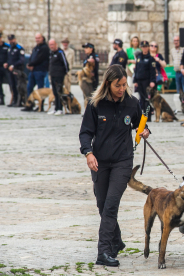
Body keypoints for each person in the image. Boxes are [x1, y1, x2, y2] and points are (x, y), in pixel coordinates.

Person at [79, 64, 150, 267]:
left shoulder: (132, 103)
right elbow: (85, 133)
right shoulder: (95, 104)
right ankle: (116, 241)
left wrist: (144, 131)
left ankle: (104, 252)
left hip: (122, 161)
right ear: (108, 83)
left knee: (110, 205)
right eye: (118, 85)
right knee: (102, 205)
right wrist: (88, 153)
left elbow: (140, 124)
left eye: (124, 84)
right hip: (99, 161)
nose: (122, 89)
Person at [22, 33, 50, 111]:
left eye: (39, 38)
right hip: (33, 71)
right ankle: (29, 104)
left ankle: (40, 106)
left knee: (40, 89)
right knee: (29, 87)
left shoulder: (44, 48)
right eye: (36, 38)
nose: (37, 40)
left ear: (42, 38)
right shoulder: (36, 48)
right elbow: (32, 57)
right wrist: (29, 64)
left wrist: (31, 64)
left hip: (40, 70)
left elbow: (39, 59)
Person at [47, 39, 69, 116]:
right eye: (50, 45)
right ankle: (56, 108)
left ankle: (60, 109)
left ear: (56, 44)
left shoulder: (60, 52)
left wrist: (65, 72)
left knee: (59, 92)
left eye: (52, 44)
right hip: (52, 75)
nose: (51, 46)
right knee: (55, 92)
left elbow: (65, 63)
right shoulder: (51, 53)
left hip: (59, 75)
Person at [133, 41, 156, 112]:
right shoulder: (139, 57)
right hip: (139, 81)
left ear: (148, 47)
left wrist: (152, 81)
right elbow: (136, 69)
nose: (144, 48)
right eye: (143, 47)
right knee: (141, 98)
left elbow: (153, 71)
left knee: (147, 98)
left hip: (147, 81)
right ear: (141, 48)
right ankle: (141, 114)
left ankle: (148, 116)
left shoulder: (150, 58)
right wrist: (135, 80)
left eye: (146, 47)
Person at [5, 34, 25, 107]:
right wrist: (7, 63)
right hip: (10, 70)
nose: (11, 41)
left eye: (12, 40)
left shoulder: (19, 48)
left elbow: (21, 60)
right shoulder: (9, 48)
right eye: (10, 40)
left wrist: (13, 65)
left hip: (17, 70)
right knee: (12, 86)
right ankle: (14, 100)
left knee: (18, 86)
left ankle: (19, 101)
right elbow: (9, 59)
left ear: (15, 39)